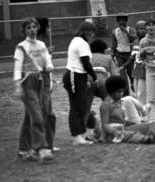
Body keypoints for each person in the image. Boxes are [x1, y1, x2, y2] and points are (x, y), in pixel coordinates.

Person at [96, 75, 155, 144]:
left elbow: (120, 120)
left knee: (148, 126)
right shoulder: (105, 105)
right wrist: (115, 132)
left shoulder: (119, 102)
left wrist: (127, 122)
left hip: (123, 128)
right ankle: (147, 139)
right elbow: (105, 125)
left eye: (122, 91)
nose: (121, 94)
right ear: (111, 91)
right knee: (132, 134)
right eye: (119, 92)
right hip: (112, 134)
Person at [13, 17, 54, 162]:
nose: (31, 30)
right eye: (28, 28)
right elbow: (18, 67)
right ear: (24, 30)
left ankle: (23, 150)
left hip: (40, 80)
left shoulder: (41, 44)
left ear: (37, 28)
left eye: (34, 27)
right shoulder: (21, 46)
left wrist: (49, 65)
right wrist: (18, 85)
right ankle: (41, 149)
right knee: (37, 116)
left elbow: (47, 58)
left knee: (30, 115)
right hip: (27, 81)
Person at [62, 21, 98, 145]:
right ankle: (77, 137)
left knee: (80, 105)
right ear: (83, 31)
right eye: (89, 31)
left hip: (78, 75)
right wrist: (94, 76)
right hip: (74, 75)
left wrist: (87, 77)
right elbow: (85, 63)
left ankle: (79, 134)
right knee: (77, 107)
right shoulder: (81, 43)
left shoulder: (77, 41)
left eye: (92, 32)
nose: (91, 34)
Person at [35, 16, 60, 152]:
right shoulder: (37, 44)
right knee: (46, 114)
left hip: (46, 83)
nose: (50, 30)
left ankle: (48, 144)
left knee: (49, 114)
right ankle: (43, 145)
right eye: (48, 27)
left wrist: (48, 55)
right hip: (41, 82)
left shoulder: (42, 44)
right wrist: (48, 55)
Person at [84, 39, 119, 124]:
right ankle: (111, 121)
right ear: (103, 49)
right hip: (104, 83)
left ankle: (83, 125)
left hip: (89, 83)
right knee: (109, 105)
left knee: (85, 108)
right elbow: (115, 75)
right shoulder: (108, 57)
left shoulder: (87, 57)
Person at [111, 13, 137, 96]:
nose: (121, 22)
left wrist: (126, 31)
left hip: (129, 55)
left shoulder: (131, 30)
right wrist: (112, 55)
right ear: (117, 22)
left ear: (126, 21)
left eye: (123, 20)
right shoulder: (115, 32)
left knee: (131, 74)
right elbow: (113, 45)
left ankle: (135, 89)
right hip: (119, 55)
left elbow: (133, 39)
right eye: (120, 21)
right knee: (122, 76)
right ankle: (126, 94)